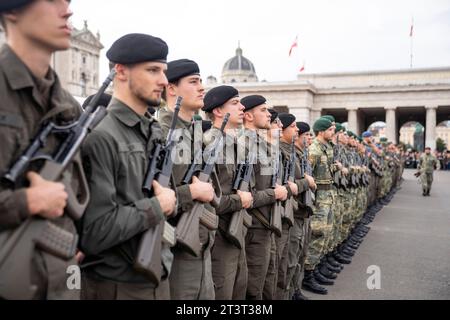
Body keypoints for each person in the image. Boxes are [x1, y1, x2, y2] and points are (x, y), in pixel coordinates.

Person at [79, 33, 176, 300]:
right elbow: (95, 232)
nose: (164, 81)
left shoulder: (151, 131)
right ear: (120, 71)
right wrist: (159, 206)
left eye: (164, 71)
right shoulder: (101, 135)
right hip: (118, 286)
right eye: (153, 70)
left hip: (157, 274)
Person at [0, 0, 85, 300]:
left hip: (60, 281)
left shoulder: (69, 107)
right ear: (11, 10)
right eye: (53, 0)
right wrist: (24, 201)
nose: (67, 10)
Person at [160, 59, 217, 300]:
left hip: (202, 243)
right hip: (178, 246)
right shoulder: (162, 131)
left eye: (201, 81)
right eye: (194, 82)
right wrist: (191, 193)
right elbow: (155, 195)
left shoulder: (194, 133)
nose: (202, 87)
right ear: (171, 89)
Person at [202, 85, 253, 300]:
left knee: (239, 291)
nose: (242, 107)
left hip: (236, 231)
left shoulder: (233, 144)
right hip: (221, 236)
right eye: (235, 103)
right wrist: (239, 200)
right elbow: (210, 199)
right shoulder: (210, 143)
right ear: (218, 111)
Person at [240, 95, 288, 300]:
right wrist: (274, 193)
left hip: (267, 222)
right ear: (248, 115)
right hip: (255, 225)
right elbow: (244, 194)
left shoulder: (261, 145)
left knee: (268, 278)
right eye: (263, 110)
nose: (269, 114)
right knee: (254, 287)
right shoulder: (244, 145)